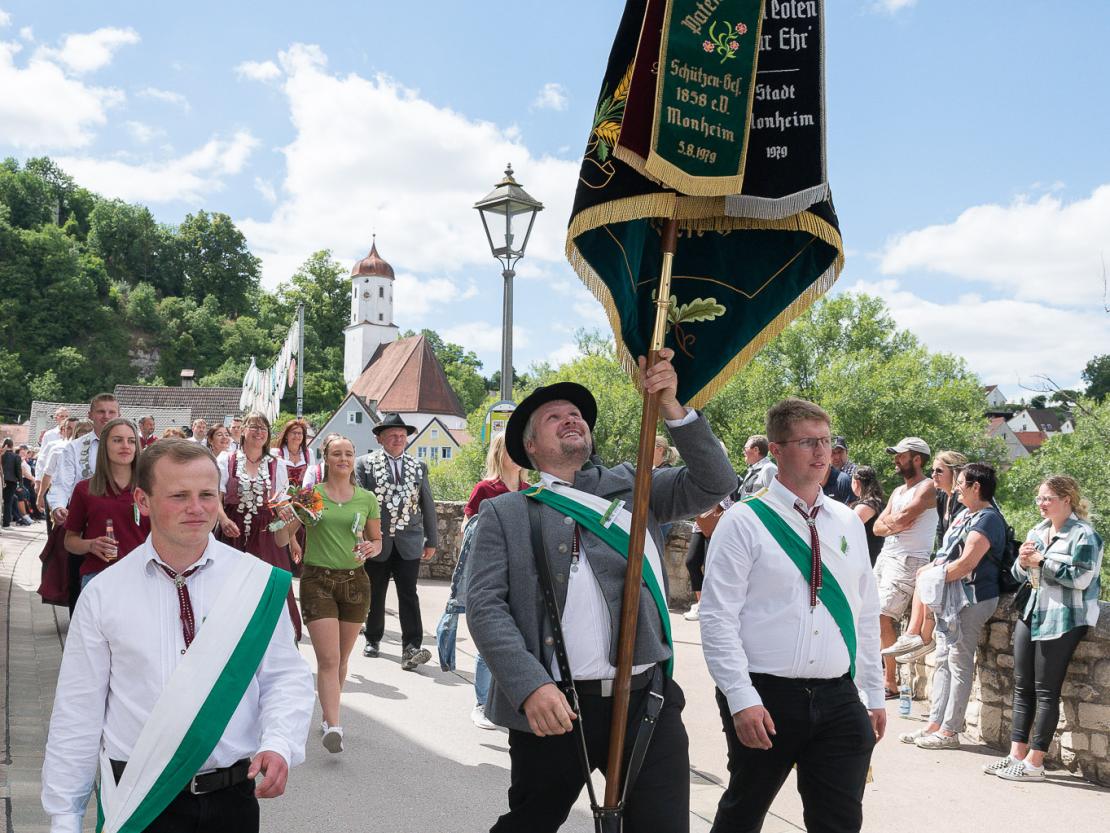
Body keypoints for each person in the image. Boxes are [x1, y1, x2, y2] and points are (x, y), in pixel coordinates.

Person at [467, 348, 736, 833]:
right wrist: (531, 686)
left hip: (644, 699)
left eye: (576, 416)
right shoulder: (504, 514)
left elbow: (716, 481)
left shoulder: (636, 488)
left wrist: (674, 407)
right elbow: (486, 609)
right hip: (553, 705)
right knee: (530, 823)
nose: (570, 420)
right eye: (553, 417)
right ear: (529, 446)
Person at [41, 439, 314, 833]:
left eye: (206, 494)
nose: (197, 507)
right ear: (143, 499)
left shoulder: (254, 583)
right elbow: (78, 710)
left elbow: (284, 676)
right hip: (140, 798)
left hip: (231, 800)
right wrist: (65, 814)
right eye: (179, 495)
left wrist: (279, 742)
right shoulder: (104, 593)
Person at [700, 398, 885, 833]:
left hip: (839, 698)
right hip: (766, 695)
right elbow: (717, 617)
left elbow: (865, 612)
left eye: (825, 441)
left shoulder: (846, 520)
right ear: (778, 450)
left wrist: (873, 693)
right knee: (742, 815)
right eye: (807, 442)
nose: (822, 453)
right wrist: (740, 698)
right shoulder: (744, 521)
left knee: (839, 822)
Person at [986, 475, 1103, 782]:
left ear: (1067, 499)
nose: (1041, 503)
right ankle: (1016, 754)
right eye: (1039, 498)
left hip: (1064, 617)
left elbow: (1081, 579)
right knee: (1022, 686)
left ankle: (1036, 763)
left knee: (1046, 691)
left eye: (1047, 498)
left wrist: (1042, 562)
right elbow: (1018, 574)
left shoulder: (1085, 535)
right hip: (1032, 612)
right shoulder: (1038, 530)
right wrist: (1024, 562)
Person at [278, 434, 381, 755]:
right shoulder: (312, 495)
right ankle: (335, 726)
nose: (344, 459)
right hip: (317, 581)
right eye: (337, 453)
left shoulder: (366, 499)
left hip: (355, 583)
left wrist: (370, 547)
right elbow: (282, 539)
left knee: (341, 659)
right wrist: (291, 517)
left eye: (349, 453)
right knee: (328, 658)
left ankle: (328, 714)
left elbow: (378, 542)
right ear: (326, 460)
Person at [902, 462, 1004, 750]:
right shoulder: (966, 516)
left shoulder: (988, 520)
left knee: (958, 663)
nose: (956, 487)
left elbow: (966, 564)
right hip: (952, 600)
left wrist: (930, 577)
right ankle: (935, 724)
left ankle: (950, 731)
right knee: (944, 662)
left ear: (976, 487)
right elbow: (946, 557)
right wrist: (932, 572)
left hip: (971, 599)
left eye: (961, 482)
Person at [451, 432, 529, 729]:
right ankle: (482, 703)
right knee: (489, 641)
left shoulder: (529, 490)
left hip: (520, 574)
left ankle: (507, 701)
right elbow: (467, 526)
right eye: (510, 449)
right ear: (499, 452)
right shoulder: (486, 488)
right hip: (492, 572)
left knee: (517, 640)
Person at [355, 413, 438, 670]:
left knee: (408, 593)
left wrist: (431, 539)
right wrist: (360, 537)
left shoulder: (418, 466)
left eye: (402, 435)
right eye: (392, 434)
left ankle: (411, 646)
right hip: (376, 540)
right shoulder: (364, 465)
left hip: (409, 539)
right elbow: (359, 502)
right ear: (380, 438)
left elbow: (427, 504)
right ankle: (373, 637)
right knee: (376, 591)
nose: (398, 438)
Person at [216, 412, 301, 641]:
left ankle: (274, 639)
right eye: (253, 426)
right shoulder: (227, 459)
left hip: (266, 534)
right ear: (243, 430)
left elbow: (283, 502)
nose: (259, 431)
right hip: (233, 531)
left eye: (263, 428)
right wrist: (223, 520)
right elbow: (216, 497)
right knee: (232, 588)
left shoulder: (276, 464)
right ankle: (231, 638)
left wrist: (288, 528)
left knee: (269, 585)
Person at [883, 450, 969, 663]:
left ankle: (920, 636)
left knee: (926, 574)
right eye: (933, 471)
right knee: (925, 573)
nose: (934, 476)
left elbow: (960, 543)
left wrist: (893, 525)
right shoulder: (943, 498)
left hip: (964, 565)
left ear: (955, 473)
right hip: (943, 558)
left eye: (939, 471)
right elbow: (943, 539)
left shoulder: (962, 501)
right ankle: (917, 636)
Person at [872, 436, 939, 697]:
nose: (896, 460)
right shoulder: (899, 491)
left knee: (883, 616)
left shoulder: (927, 487)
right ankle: (881, 677)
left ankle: (890, 682)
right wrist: (893, 523)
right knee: (869, 616)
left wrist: (893, 522)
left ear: (917, 459)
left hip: (909, 560)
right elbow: (879, 527)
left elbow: (901, 519)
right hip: (887, 557)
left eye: (901, 455)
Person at [63, 418, 151, 589]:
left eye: (131, 441)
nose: (125, 445)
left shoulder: (150, 488)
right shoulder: (84, 489)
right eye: (117, 440)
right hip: (99, 578)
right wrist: (90, 545)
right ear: (104, 446)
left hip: (143, 579)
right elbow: (70, 541)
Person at [849, 466, 886, 566]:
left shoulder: (865, 506)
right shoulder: (877, 502)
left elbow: (847, 528)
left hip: (867, 559)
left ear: (856, 482)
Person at [737, 434, 777, 500]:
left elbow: (775, 498)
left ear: (756, 450)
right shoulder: (752, 470)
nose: (743, 452)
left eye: (745, 448)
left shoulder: (769, 469)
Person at [2, 437, 20, 527]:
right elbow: (18, 471)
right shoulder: (16, 456)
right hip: (12, 481)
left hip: (2, 480)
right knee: (8, 502)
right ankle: (6, 523)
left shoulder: (1, 454)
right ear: (12, 445)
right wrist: (21, 483)